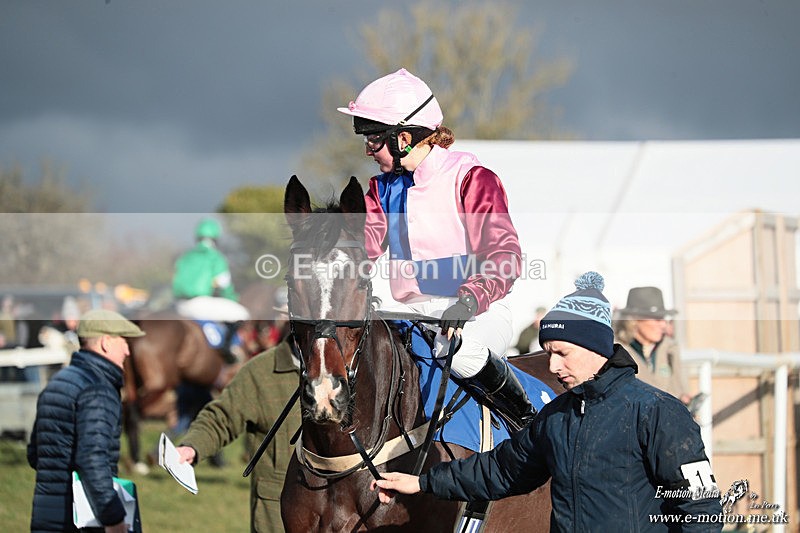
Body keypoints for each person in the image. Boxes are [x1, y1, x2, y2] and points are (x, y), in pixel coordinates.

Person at [371, 272, 723, 532]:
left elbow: (701, 508)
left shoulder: (659, 412)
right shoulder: (555, 417)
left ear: (594, 348)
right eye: (549, 353)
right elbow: (499, 471)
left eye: (562, 353)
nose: (552, 366)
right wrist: (421, 482)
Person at [337, 68, 533, 431]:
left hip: (476, 311)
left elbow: (505, 255)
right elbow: (359, 249)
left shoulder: (473, 178)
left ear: (406, 137)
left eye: (375, 139)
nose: (368, 150)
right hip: (411, 312)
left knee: (455, 355)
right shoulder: (382, 190)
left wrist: (470, 299)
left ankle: (528, 424)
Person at [27, 309, 145, 533]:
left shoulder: (58, 381)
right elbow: (92, 459)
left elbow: (36, 454)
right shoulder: (99, 390)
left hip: (46, 518)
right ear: (106, 343)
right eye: (124, 342)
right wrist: (113, 519)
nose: (128, 351)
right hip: (82, 523)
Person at [175, 335, 301, 533]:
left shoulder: (353, 367)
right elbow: (222, 417)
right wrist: (192, 446)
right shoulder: (261, 371)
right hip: (277, 518)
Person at [614, 286, 691, 404]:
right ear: (634, 320)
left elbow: (679, 390)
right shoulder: (614, 352)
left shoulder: (669, 350)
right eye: (657, 319)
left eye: (664, 319)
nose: (663, 324)